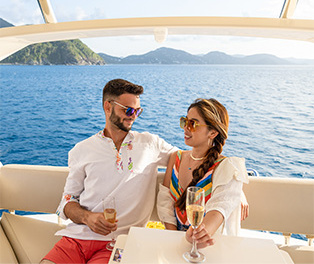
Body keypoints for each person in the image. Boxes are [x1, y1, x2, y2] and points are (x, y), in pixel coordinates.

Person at [41, 79, 177, 264]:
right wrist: (88, 218)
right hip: (75, 240)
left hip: (118, 243)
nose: (133, 116)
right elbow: (67, 201)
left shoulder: (150, 144)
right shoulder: (81, 150)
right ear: (108, 106)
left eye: (138, 111)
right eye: (128, 110)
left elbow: (187, 159)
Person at [157, 98, 249, 248]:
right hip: (174, 242)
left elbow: (219, 207)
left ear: (213, 132)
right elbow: (165, 202)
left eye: (192, 124)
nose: (185, 128)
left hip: (208, 245)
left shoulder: (226, 168)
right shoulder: (176, 158)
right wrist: (174, 237)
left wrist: (202, 233)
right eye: (185, 121)